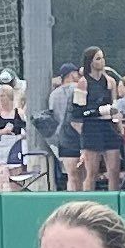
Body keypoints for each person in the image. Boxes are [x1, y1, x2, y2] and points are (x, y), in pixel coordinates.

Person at [74, 50, 125, 192]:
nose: (102, 61)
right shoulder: (83, 83)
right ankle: (88, 201)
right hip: (92, 128)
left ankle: (114, 199)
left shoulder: (110, 82)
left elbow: (115, 105)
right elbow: (78, 112)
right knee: (92, 172)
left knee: (114, 170)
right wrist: (98, 111)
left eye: (102, 58)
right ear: (90, 62)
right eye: (98, 58)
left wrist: (119, 126)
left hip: (108, 127)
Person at [48, 63, 85, 191]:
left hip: (62, 137)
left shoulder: (53, 94)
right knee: (83, 175)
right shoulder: (78, 89)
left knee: (71, 176)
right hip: (80, 136)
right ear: (71, 74)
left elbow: (52, 114)